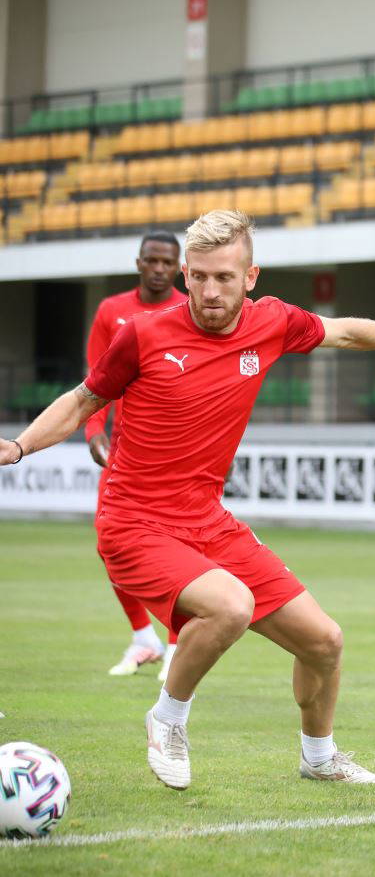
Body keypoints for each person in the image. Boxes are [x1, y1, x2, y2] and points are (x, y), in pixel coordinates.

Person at [0, 210, 375, 790]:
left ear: (250, 277)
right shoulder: (143, 334)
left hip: (208, 522)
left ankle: (319, 756)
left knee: (324, 641)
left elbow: (343, 329)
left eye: (224, 277)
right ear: (185, 276)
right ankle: (167, 719)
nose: (210, 291)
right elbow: (81, 401)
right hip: (134, 523)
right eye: (199, 277)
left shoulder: (272, 322)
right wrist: (17, 447)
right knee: (230, 605)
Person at [86, 231, 187, 679]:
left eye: (168, 262)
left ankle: (177, 643)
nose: (160, 269)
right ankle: (143, 637)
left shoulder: (189, 310)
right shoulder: (112, 311)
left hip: (178, 453)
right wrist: (93, 430)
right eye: (153, 261)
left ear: (179, 267)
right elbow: (96, 378)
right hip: (124, 452)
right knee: (110, 545)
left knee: (180, 548)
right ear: (139, 263)